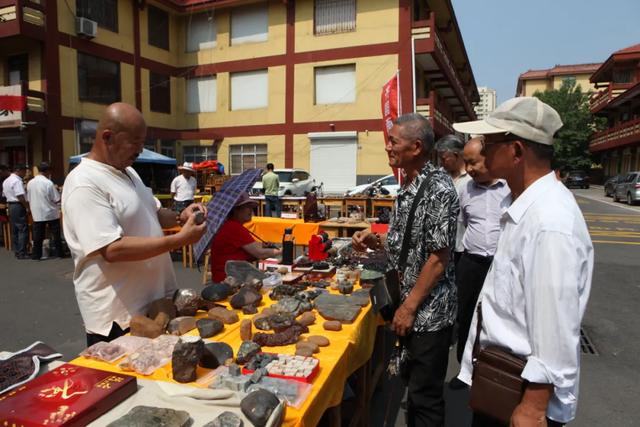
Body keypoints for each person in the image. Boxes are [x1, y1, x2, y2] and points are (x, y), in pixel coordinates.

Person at [453, 97, 593, 427]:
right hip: (502, 382)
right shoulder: (524, 206)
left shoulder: (550, 222)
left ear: (516, 151)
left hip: (522, 395)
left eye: (488, 144)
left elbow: (556, 325)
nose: (480, 154)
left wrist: (532, 407)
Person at [62, 102, 207, 346]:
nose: (141, 149)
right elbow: (112, 249)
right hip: (118, 318)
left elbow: (155, 213)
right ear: (108, 137)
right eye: (135, 142)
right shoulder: (84, 182)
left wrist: (183, 216)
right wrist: (180, 240)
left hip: (154, 305)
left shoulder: (129, 172)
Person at [352, 113, 459, 426]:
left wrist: (409, 308)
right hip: (412, 308)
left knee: (425, 401)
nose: (388, 147)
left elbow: (438, 258)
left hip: (429, 313)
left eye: (393, 141)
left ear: (415, 147)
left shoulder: (438, 188)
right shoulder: (411, 185)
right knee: (413, 394)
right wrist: (377, 239)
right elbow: (410, 243)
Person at [449, 138, 511, 388]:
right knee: (465, 317)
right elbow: (462, 223)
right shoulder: (465, 188)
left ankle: (494, 373)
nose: (469, 168)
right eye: (466, 163)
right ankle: (464, 372)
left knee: (497, 318)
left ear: (490, 159)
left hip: (500, 264)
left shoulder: (509, 188)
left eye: (473, 162)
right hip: (471, 262)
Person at [210, 193, 281, 282]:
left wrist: (264, 246)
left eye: (251, 207)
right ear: (236, 210)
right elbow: (259, 253)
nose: (251, 210)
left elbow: (250, 248)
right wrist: (281, 251)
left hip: (230, 276)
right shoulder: (234, 227)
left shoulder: (231, 225)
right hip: (229, 280)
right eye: (247, 207)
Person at [435, 134, 471, 264]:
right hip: (441, 244)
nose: (441, 162)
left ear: (457, 155)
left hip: (463, 246)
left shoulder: (471, 178)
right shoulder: (439, 176)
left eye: (444, 158)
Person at [26, 162, 64, 260]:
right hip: (50, 212)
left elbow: (28, 198)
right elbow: (56, 198)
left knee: (37, 235)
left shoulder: (30, 183)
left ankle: (36, 255)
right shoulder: (48, 183)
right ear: (47, 171)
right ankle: (58, 253)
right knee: (55, 234)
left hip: (37, 212)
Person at [2, 164, 29, 259]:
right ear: (18, 170)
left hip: (11, 205)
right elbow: (20, 196)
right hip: (18, 205)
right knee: (22, 228)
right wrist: (27, 206)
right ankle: (22, 252)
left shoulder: (6, 181)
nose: (25, 173)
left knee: (15, 230)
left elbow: (4, 195)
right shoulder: (17, 181)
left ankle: (17, 250)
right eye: (24, 171)